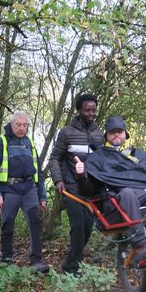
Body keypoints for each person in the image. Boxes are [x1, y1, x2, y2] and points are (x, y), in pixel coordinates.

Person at [76, 116, 146, 265]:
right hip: (119, 202)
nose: (116, 135)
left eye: (119, 132)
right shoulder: (98, 157)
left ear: (125, 134)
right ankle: (141, 247)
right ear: (106, 135)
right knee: (127, 193)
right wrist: (82, 175)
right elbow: (89, 190)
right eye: (112, 132)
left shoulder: (137, 154)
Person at [49, 94, 105, 275]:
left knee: (88, 227)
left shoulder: (99, 134)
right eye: (87, 110)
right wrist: (58, 180)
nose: (91, 113)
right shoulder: (66, 132)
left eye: (93, 110)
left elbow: (102, 161)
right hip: (71, 188)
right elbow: (55, 158)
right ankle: (73, 267)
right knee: (78, 226)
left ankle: (71, 262)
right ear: (79, 110)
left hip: (90, 190)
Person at [0, 111, 49, 273]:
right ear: (12, 124)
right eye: (18, 125)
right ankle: (6, 261)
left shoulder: (30, 142)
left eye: (25, 125)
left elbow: (38, 171)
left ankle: (36, 262)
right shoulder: (3, 141)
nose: (22, 128)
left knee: (35, 223)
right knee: (7, 224)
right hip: (10, 189)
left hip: (30, 188)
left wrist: (42, 195)